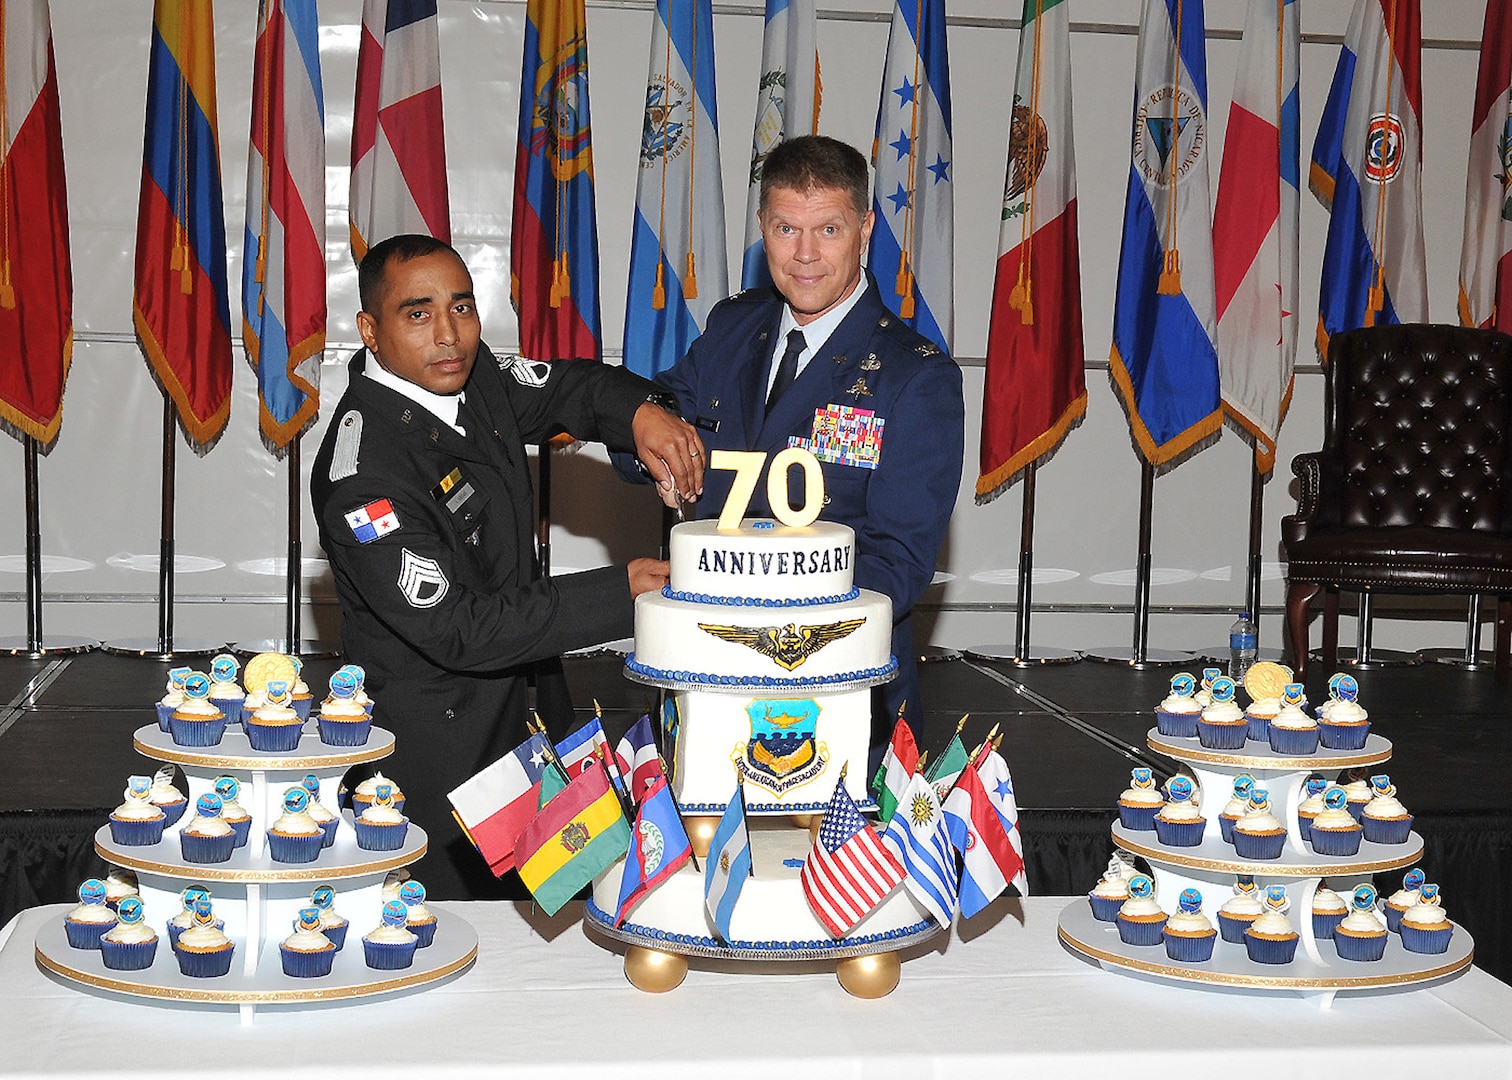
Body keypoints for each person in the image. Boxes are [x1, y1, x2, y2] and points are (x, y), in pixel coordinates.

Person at [311, 234, 704, 898]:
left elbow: (568, 389)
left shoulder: (474, 378)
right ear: (370, 332)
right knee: (457, 958)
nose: (449, 334)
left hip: (529, 733)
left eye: (462, 307)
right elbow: (461, 629)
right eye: (419, 313)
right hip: (440, 778)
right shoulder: (364, 476)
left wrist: (640, 415)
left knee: (568, 939)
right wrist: (620, 592)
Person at [617, 135, 964, 748]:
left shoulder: (916, 376)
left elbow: (899, 567)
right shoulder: (732, 326)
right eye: (785, 229)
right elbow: (645, 432)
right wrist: (648, 434)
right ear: (761, 227)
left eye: (828, 230)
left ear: (865, 228)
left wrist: (752, 607)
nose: (805, 255)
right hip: (705, 678)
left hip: (833, 693)